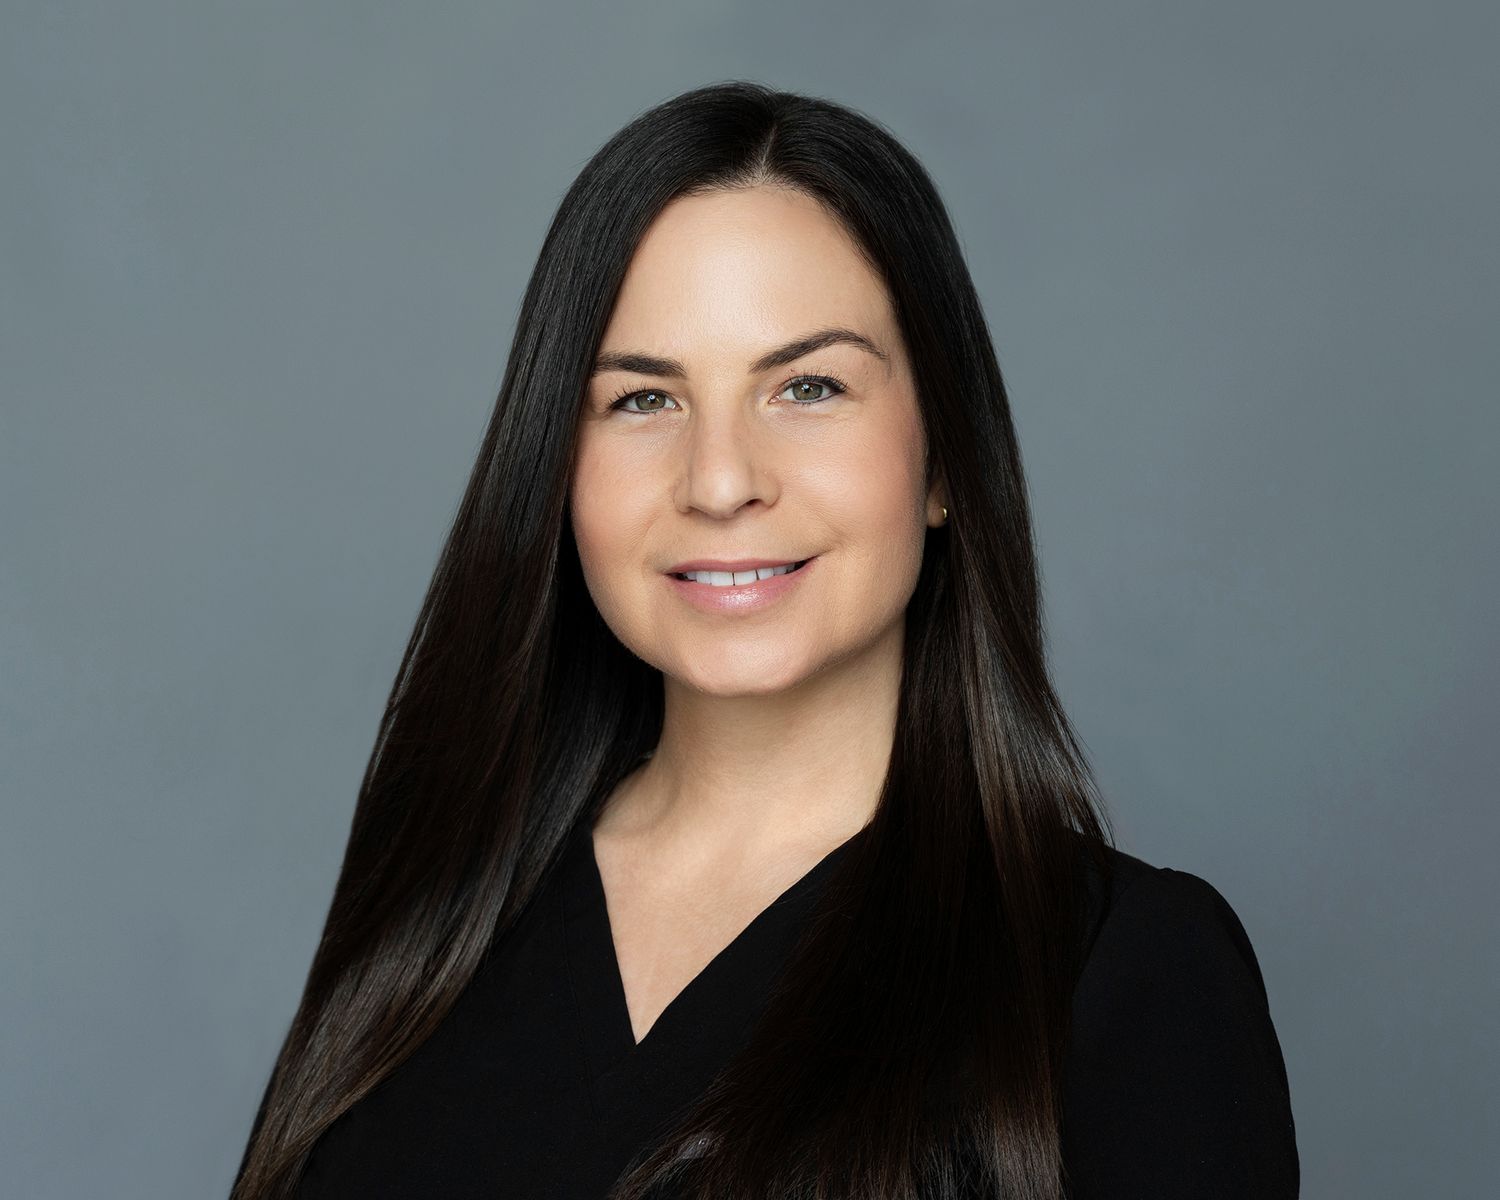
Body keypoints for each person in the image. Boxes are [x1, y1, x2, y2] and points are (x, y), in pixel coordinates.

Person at [230, 80, 1299, 1199]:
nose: (721, 480)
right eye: (643, 400)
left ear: (943, 458)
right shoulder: (435, 918)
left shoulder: (1117, 972)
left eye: (808, 386)